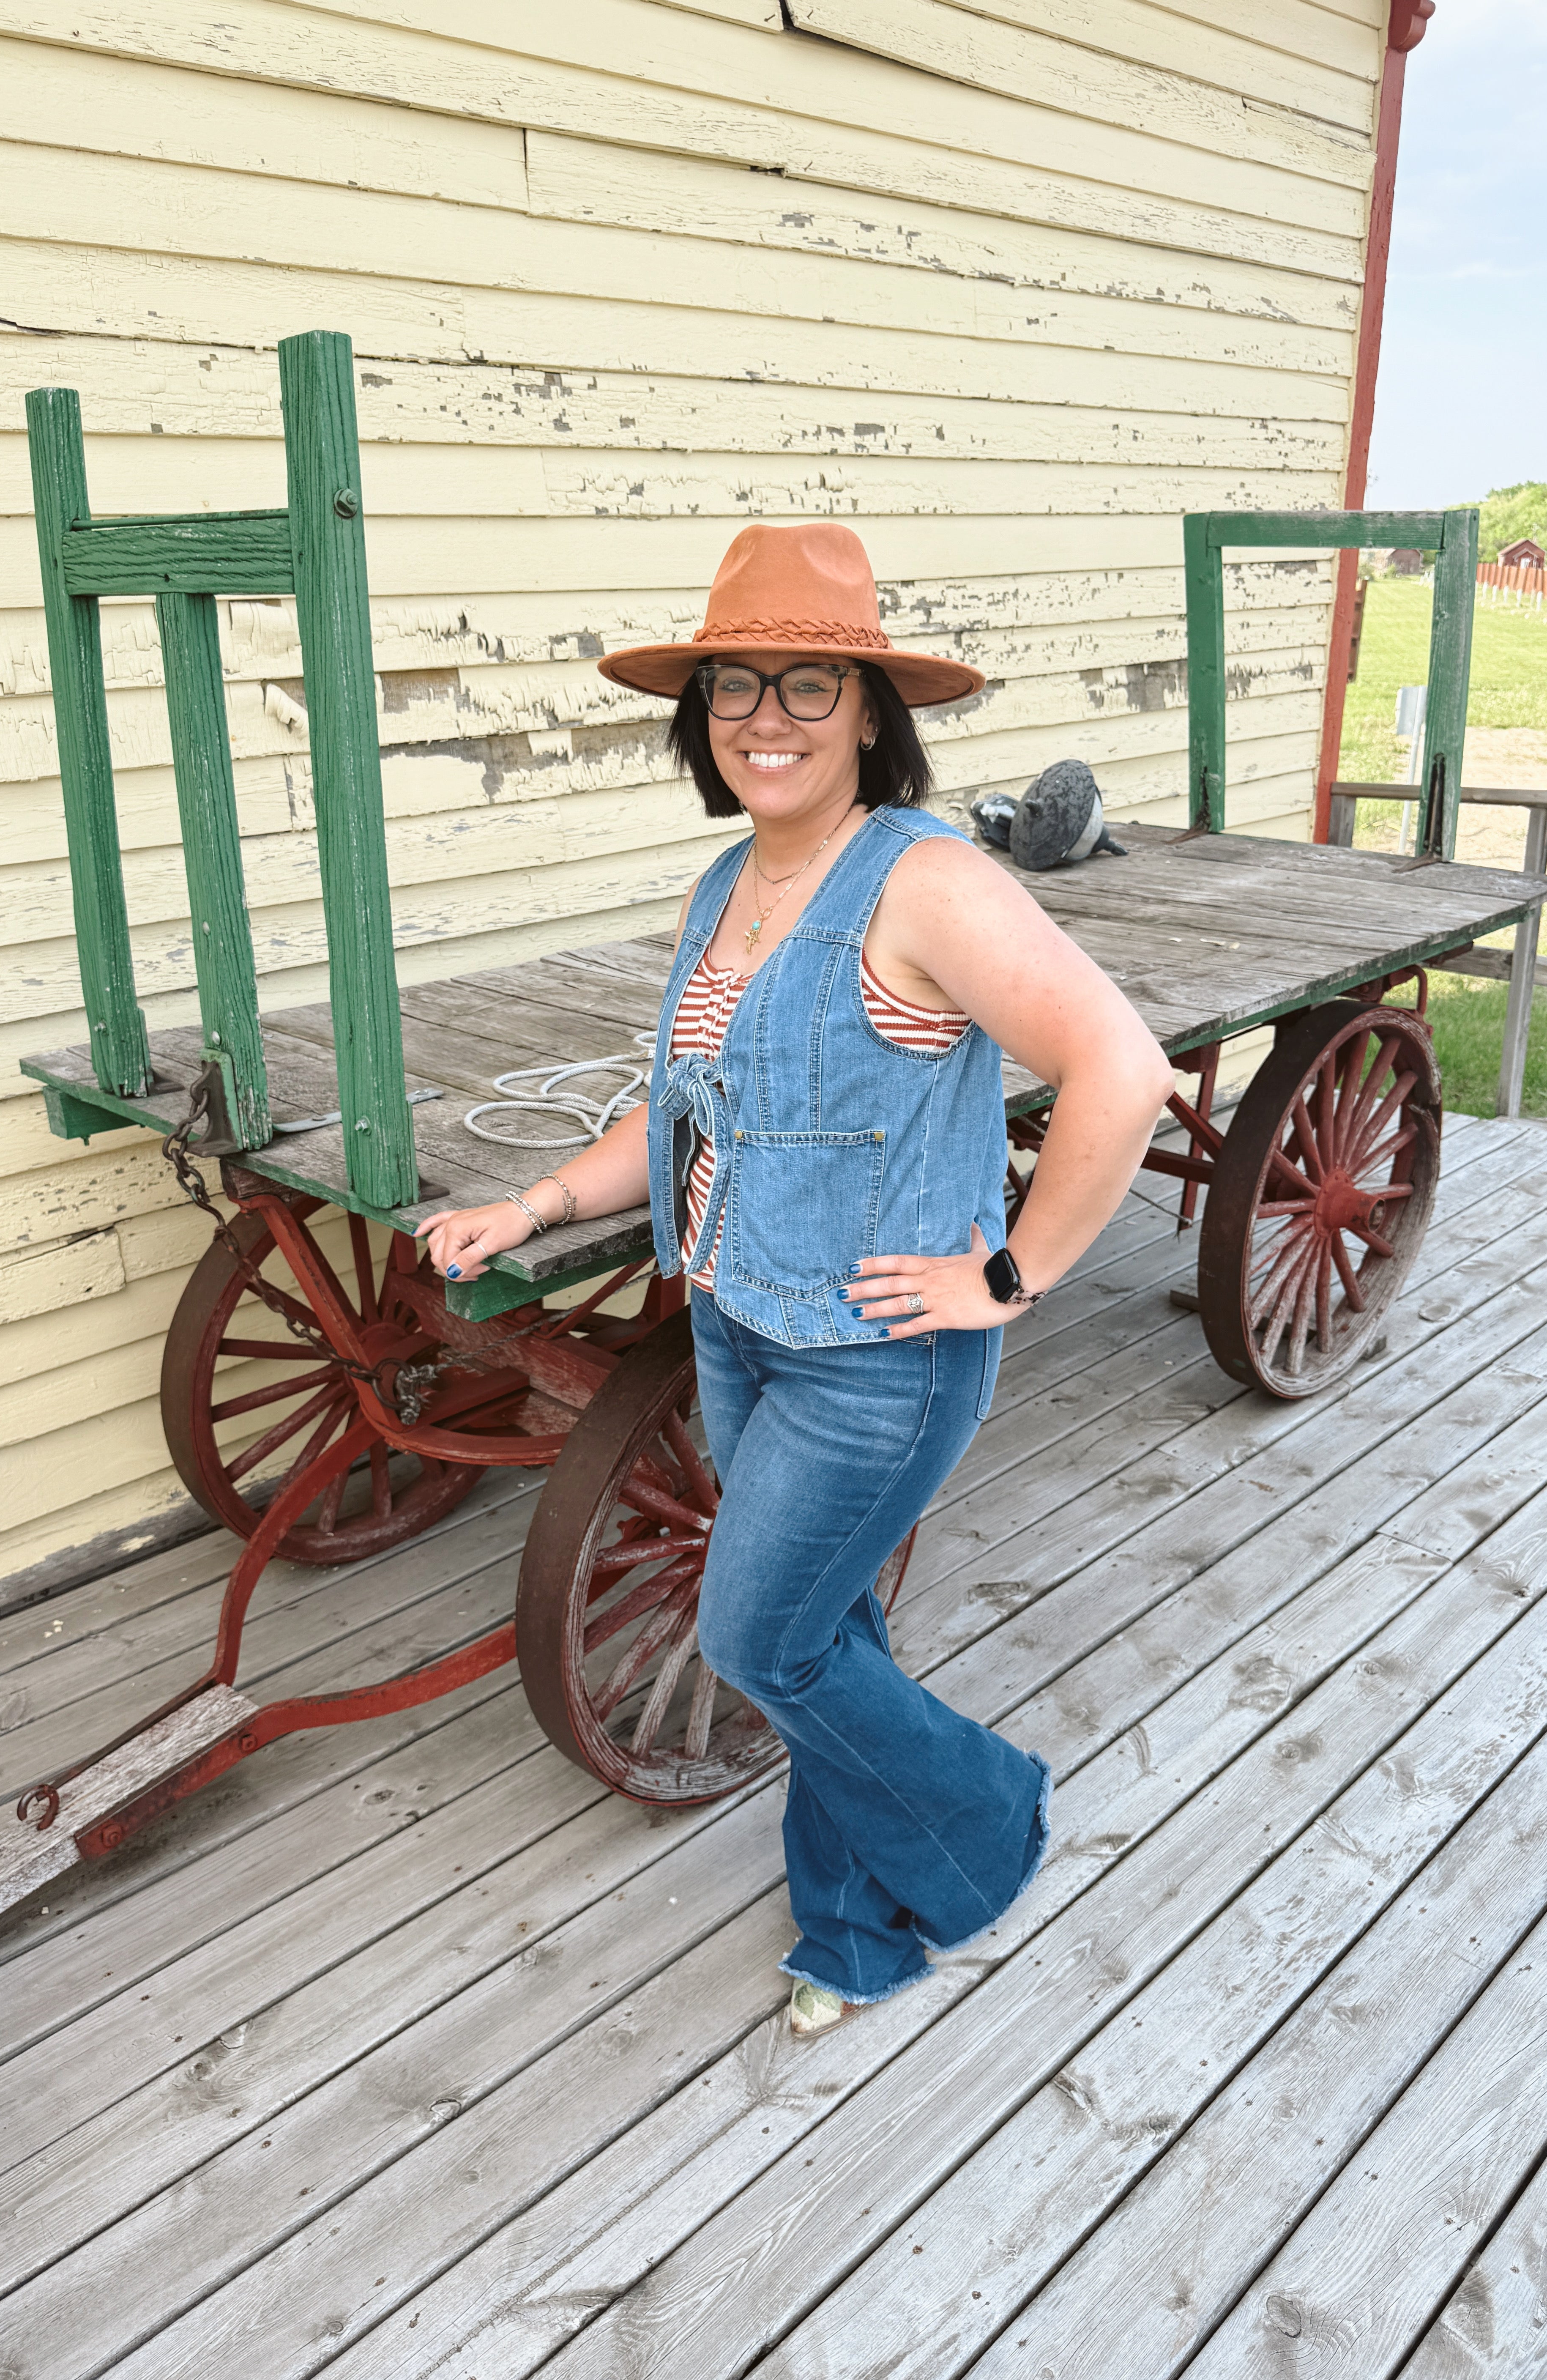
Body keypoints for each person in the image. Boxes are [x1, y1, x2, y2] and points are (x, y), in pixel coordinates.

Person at [418, 523, 1175, 2038]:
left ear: (870, 714)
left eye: (808, 685)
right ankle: (853, 1932)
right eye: (733, 687)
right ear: (699, 718)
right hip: (738, 1325)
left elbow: (1123, 1069)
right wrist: (542, 1199)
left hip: (876, 1359)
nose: (765, 716)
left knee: (764, 1639)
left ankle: (984, 1818)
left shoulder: (927, 885)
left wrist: (1009, 1275)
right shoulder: (730, 884)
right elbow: (690, 1101)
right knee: (830, 1626)